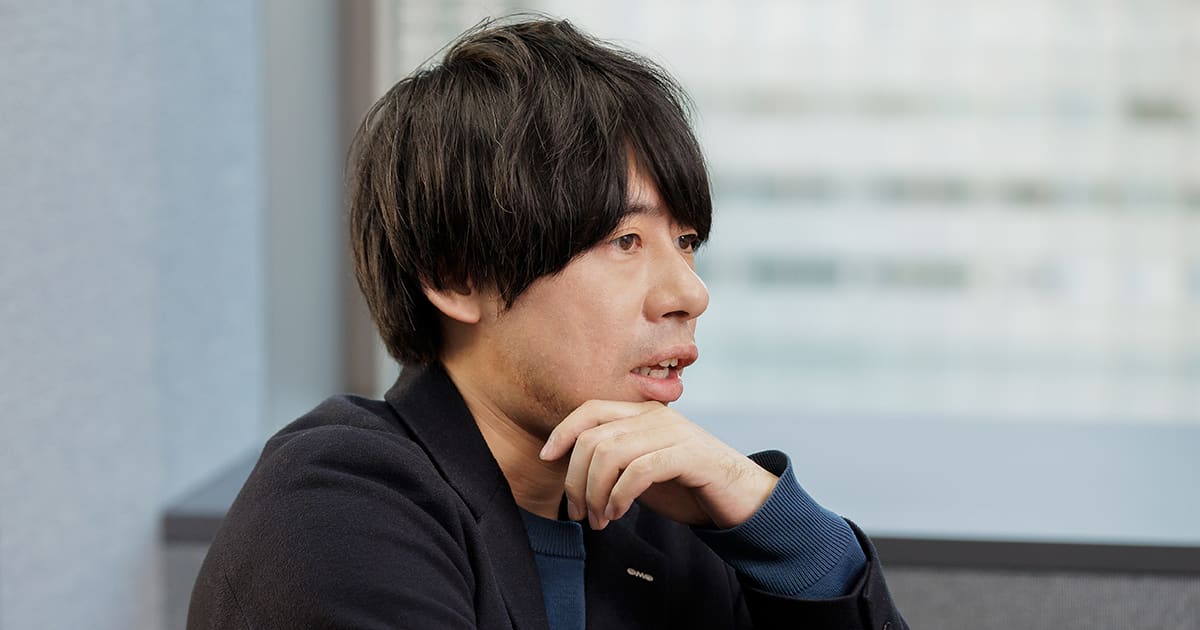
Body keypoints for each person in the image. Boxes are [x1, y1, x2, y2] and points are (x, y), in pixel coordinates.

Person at [189, 17, 908, 630]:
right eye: (625, 241)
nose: (691, 293)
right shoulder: (339, 502)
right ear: (457, 276)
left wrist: (770, 519)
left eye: (687, 241)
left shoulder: (661, 521)